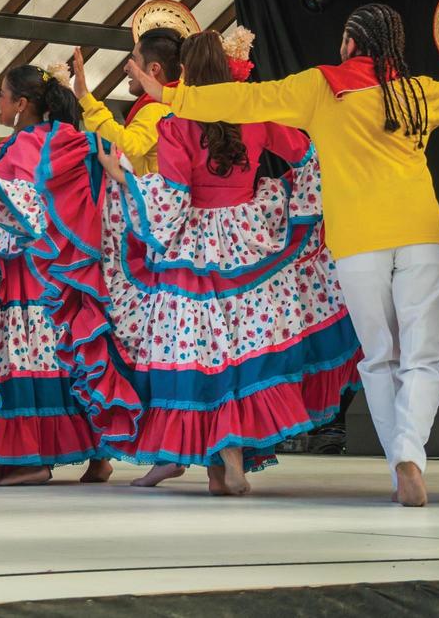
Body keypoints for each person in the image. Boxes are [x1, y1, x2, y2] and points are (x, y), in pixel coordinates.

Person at [128, 3, 439, 506]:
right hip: (422, 235)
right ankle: (409, 455)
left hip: (357, 242)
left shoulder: (320, 87)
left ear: (350, 42)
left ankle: (402, 463)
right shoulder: (418, 93)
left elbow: (246, 100)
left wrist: (170, 94)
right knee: (423, 358)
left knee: (378, 359)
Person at [97, 31, 360, 495]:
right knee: (239, 351)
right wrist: (295, 208)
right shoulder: (256, 116)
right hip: (249, 239)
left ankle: (224, 464)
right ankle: (222, 470)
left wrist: (127, 181)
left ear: (186, 75)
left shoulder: (177, 125)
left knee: (199, 354)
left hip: (195, 249)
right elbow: (309, 155)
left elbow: (174, 198)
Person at [0, 63, 140, 485]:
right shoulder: (77, 140)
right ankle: (99, 455)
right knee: (74, 361)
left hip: (30, 276)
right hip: (72, 276)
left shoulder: (26, 146)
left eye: (3, 97)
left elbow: (28, 205)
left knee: (25, 359)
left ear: (22, 104)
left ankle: (31, 459)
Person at [70, 27, 184, 177]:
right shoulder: (178, 106)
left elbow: (126, 146)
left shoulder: (157, 109)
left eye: (135, 59)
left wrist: (85, 97)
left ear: (154, 69)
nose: (126, 68)